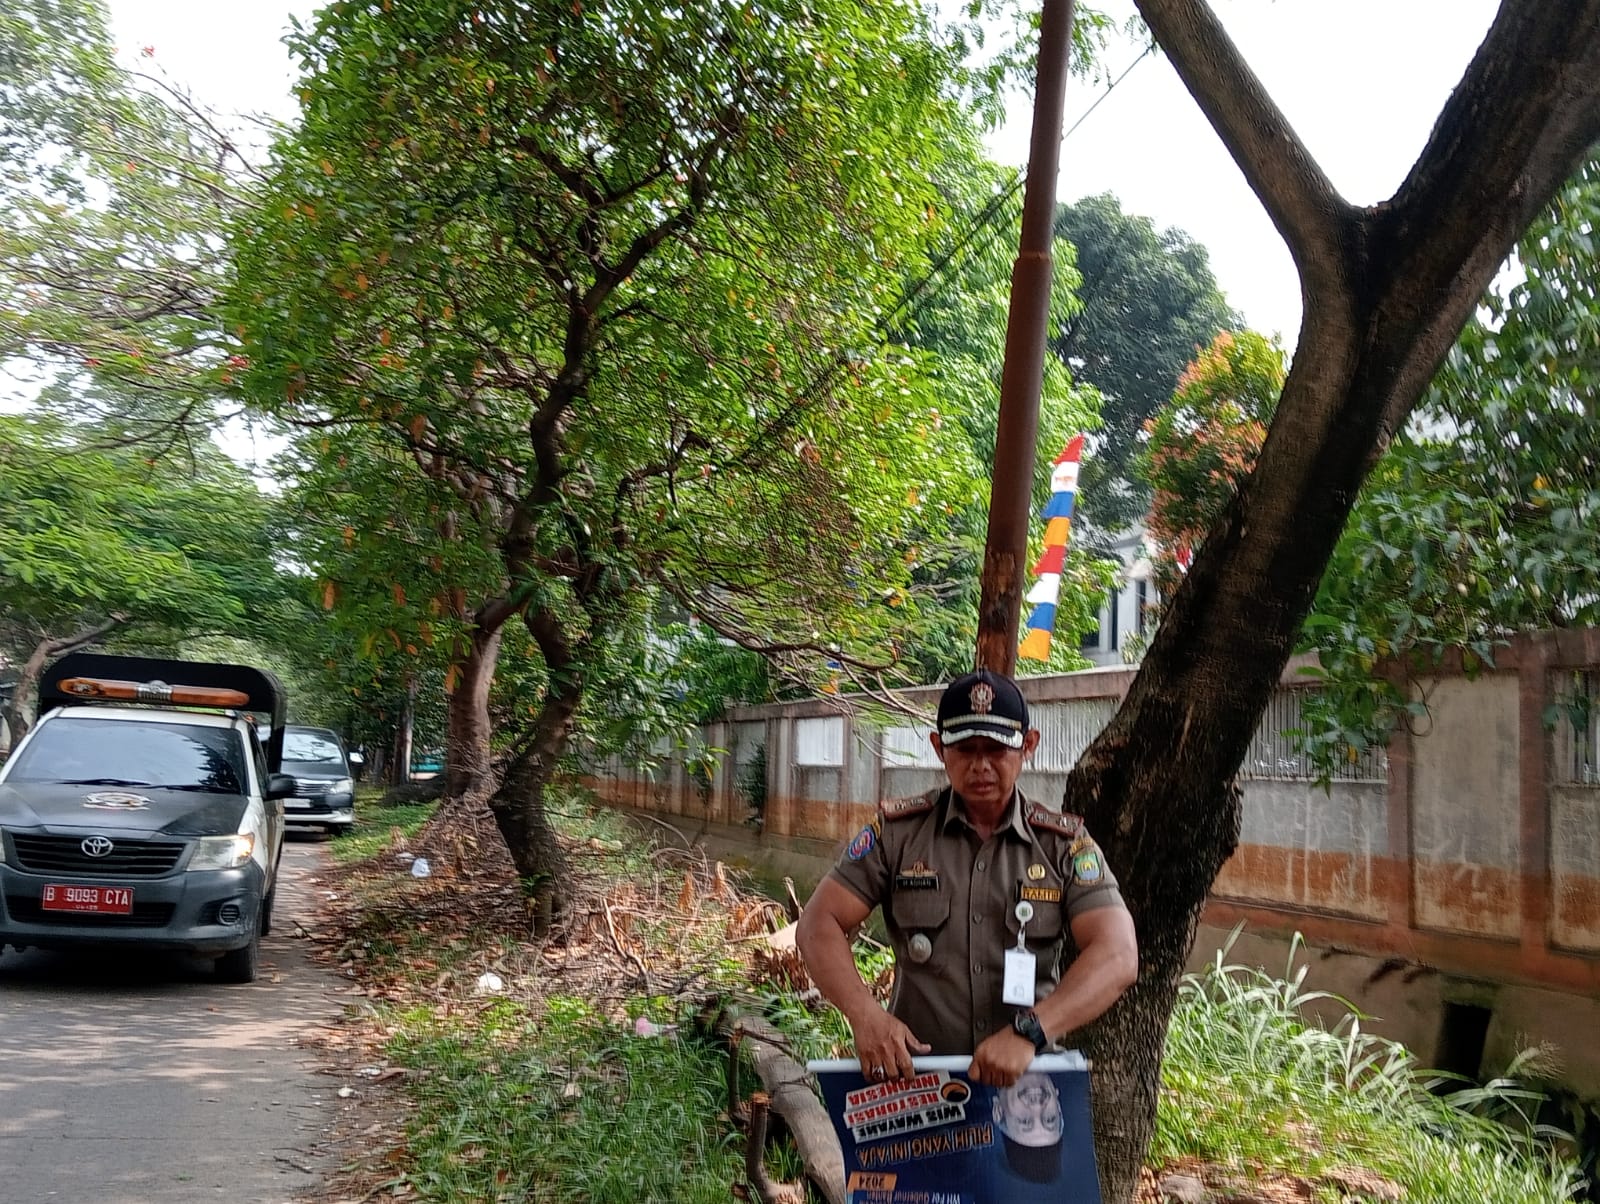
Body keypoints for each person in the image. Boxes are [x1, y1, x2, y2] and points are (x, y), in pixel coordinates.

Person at [796, 668, 1138, 1090]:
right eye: (964, 748)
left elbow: (1118, 954)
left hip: (1027, 1088)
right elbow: (818, 924)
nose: (980, 765)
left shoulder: (1062, 845)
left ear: (1027, 746)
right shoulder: (899, 835)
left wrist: (1030, 1031)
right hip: (916, 1085)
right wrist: (866, 1016)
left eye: (996, 748)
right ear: (940, 749)